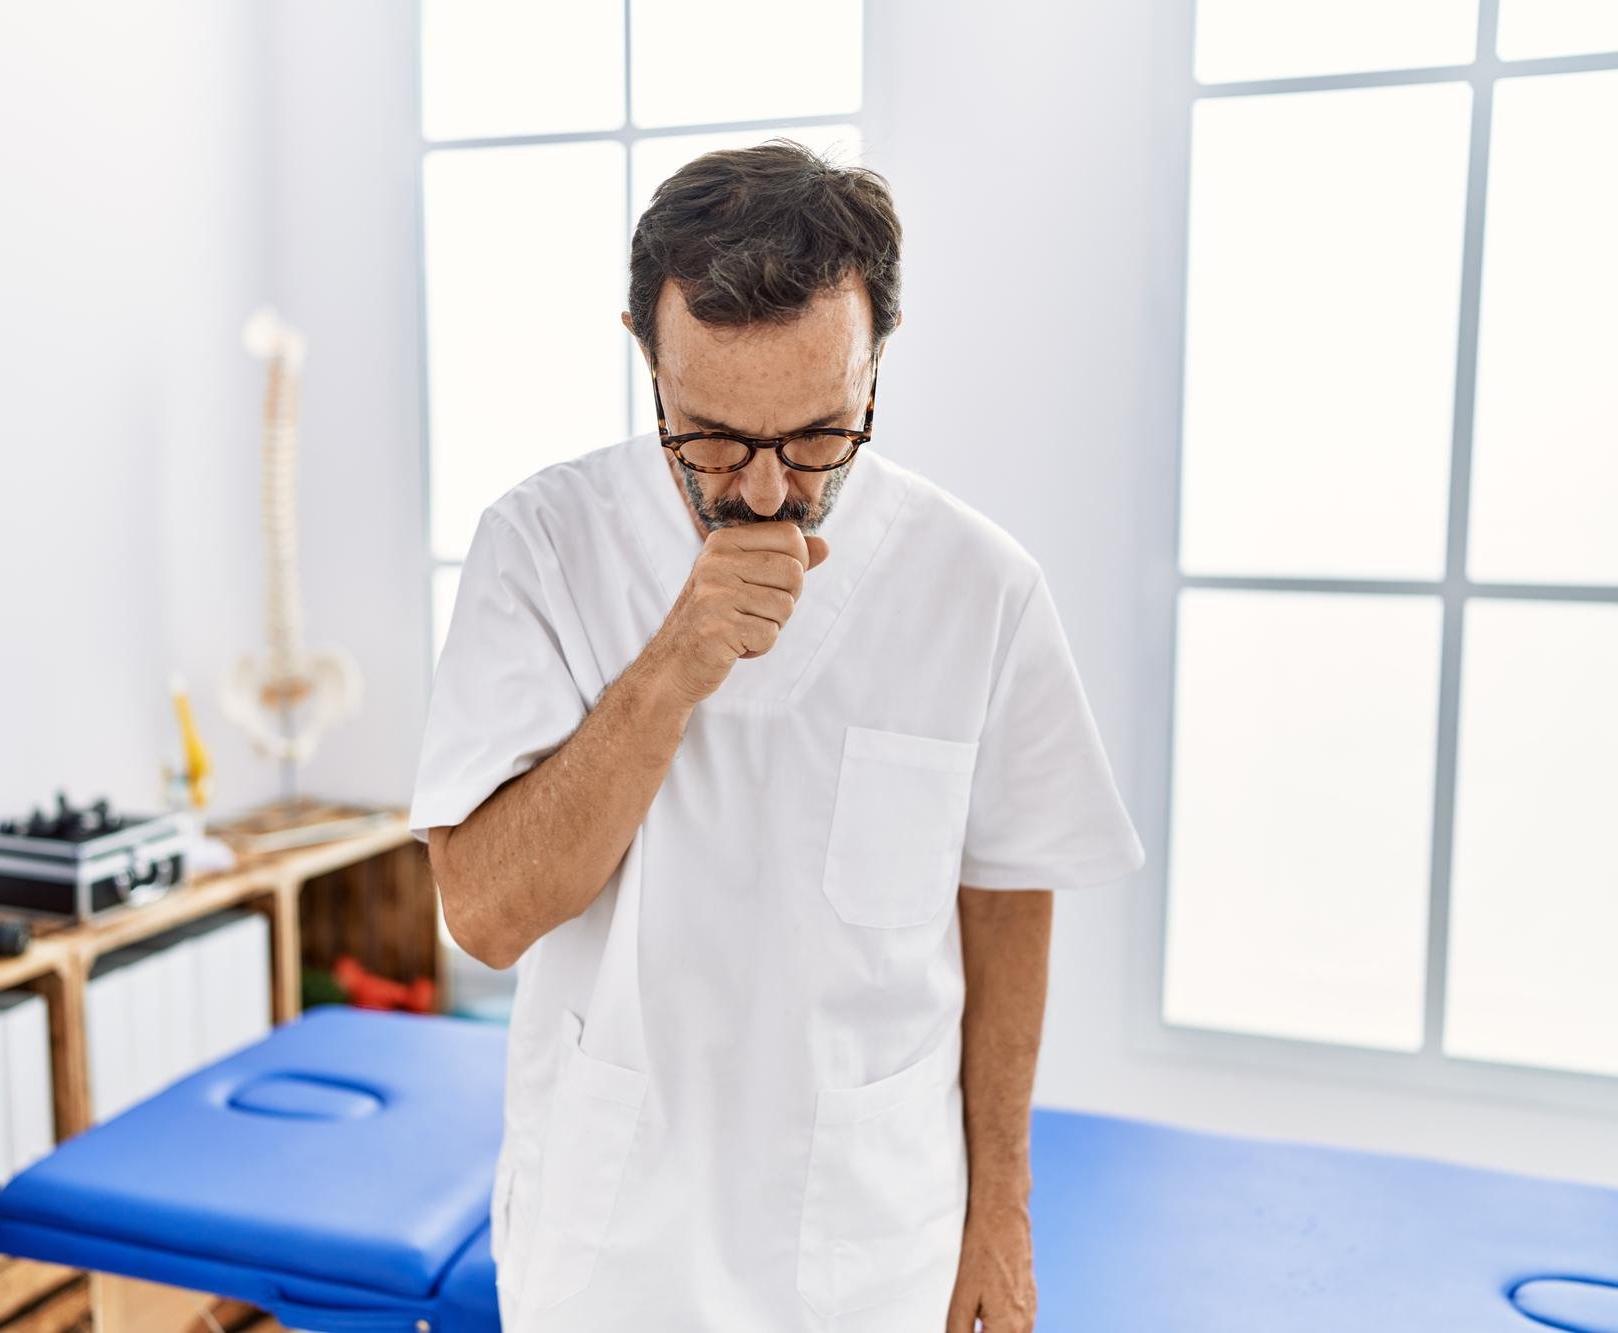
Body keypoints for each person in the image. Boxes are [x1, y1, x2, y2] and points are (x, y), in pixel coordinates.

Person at [409, 140, 1145, 1333]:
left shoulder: (979, 586)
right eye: (708, 436)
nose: (761, 492)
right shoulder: (539, 549)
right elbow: (485, 916)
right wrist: (673, 663)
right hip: (611, 1234)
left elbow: (1003, 896)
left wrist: (999, 1208)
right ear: (645, 357)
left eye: (815, 438)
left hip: (866, 1227)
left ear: (874, 365)